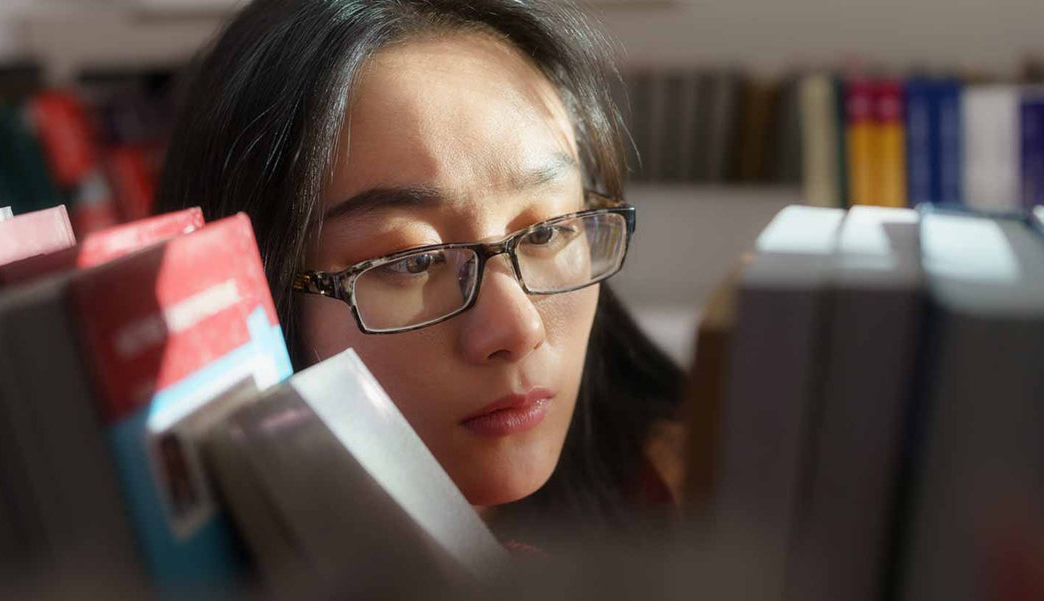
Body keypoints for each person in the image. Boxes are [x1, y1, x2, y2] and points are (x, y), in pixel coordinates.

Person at [157, 0, 684, 545]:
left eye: (548, 232)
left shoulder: (705, 492)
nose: (517, 330)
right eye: (413, 262)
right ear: (246, 290)